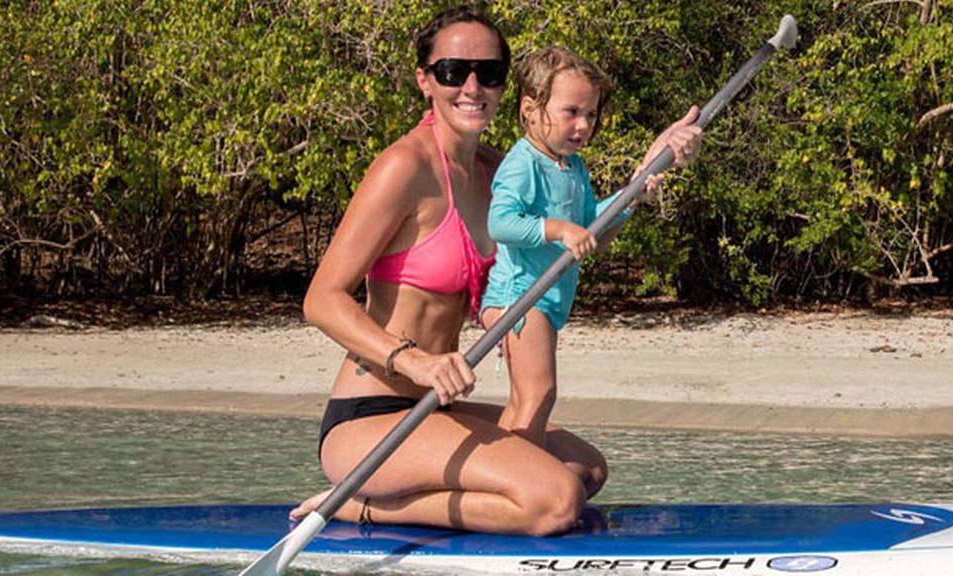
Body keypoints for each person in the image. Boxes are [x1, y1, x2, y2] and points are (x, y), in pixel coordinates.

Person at [294, 7, 699, 536]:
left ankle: (427, 494)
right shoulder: (405, 167)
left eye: (488, 73)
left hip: (435, 412)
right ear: (425, 80)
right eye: (452, 71)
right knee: (556, 500)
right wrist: (412, 361)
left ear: (507, 87)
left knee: (585, 467)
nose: (471, 86)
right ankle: (358, 504)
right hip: (372, 417)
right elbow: (321, 300)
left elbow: (583, 234)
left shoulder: (496, 170)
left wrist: (650, 168)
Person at [479, 47, 703, 447]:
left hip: (545, 300)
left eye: (592, 114)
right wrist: (559, 230)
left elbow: (590, 228)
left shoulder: (572, 166)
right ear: (530, 109)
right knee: (538, 394)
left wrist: (630, 198)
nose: (583, 125)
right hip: (519, 298)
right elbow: (500, 223)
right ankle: (516, 477)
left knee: (525, 400)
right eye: (571, 112)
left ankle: (504, 470)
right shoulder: (523, 162)